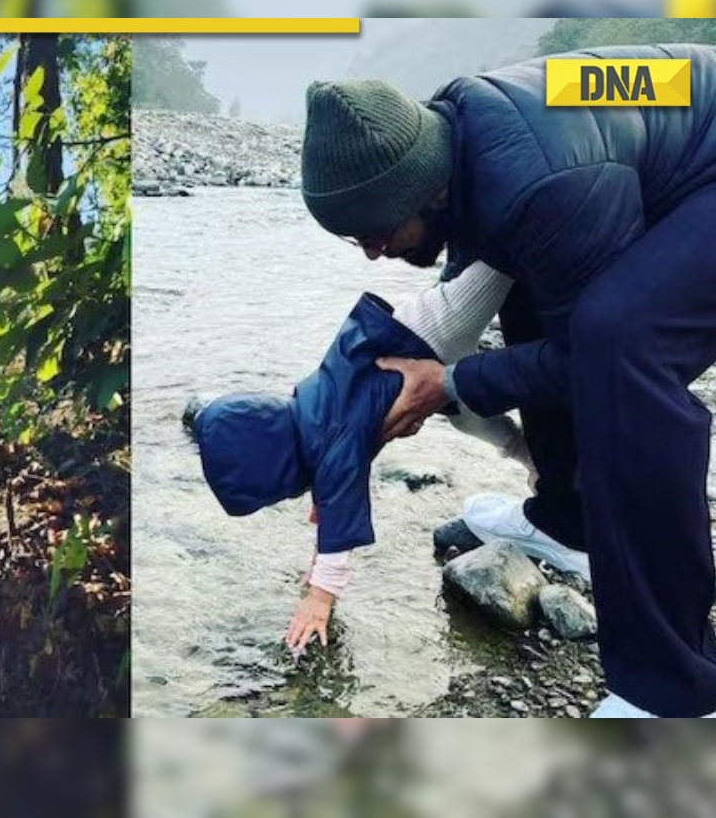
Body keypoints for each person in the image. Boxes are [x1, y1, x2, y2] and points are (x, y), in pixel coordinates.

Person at [300, 44, 716, 717]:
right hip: (671, 131)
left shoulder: (541, 185)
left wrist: (452, 384)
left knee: (624, 350)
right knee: (543, 296)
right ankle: (569, 519)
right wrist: (344, 432)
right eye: (355, 241)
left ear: (424, 191)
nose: (373, 252)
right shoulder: (456, 134)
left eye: (375, 232)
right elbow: (457, 313)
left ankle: (677, 689)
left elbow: (582, 360)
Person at [192, 260, 557, 653]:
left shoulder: (330, 442)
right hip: (411, 344)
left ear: (274, 468)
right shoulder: (311, 416)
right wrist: (321, 527)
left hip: (425, 335)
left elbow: (341, 515)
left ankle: (521, 232)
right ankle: (530, 456)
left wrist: (320, 598)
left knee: (492, 271)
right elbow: (332, 492)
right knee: (467, 420)